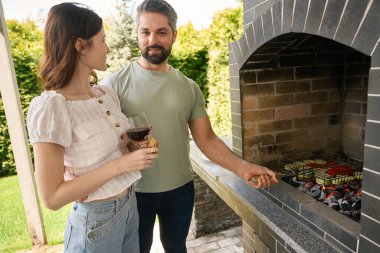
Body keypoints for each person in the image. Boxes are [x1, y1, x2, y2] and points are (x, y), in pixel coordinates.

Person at [101, 0, 279, 252]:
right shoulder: (114, 85)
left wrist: (243, 167)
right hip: (133, 191)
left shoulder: (188, 87)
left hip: (179, 190)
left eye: (161, 32)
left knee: (177, 248)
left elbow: (207, 140)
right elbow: (102, 145)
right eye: (145, 32)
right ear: (137, 34)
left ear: (174, 34)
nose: (153, 39)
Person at [26, 3, 158, 253]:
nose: (107, 48)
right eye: (102, 40)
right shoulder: (52, 107)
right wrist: (123, 165)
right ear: (80, 46)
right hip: (96, 223)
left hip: (130, 206)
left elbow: (111, 152)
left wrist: (135, 149)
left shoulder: (106, 94)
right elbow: (53, 197)